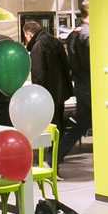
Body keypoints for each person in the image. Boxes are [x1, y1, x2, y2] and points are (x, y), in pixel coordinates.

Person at [26, 19, 73, 154]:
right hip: (60, 91)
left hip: (48, 94)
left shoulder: (38, 46)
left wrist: (38, 95)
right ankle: (57, 153)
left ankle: (51, 157)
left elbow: (38, 73)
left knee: (50, 126)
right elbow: (66, 65)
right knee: (58, 125)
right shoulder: (55, 41)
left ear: (29, 34)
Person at [57, 4, 91, 165]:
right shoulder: (88, 34)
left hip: (79, 84)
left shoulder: (74, 33)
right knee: (84, 123)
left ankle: (55, 157)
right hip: (89, 84)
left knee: (81, 123)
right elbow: (90, 62)